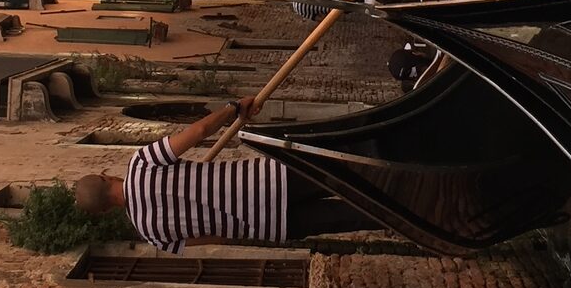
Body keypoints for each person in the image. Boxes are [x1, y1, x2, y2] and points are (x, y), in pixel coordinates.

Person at [74, 97, 369, 252]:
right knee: (352, 168)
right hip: (268, 181)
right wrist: (234, 108)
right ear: (105, 177)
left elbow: (217, 239)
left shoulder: (152, 236)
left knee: (361, 214)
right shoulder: (141, 163)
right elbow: (200, 131)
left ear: (104, 211)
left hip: (271, 225)